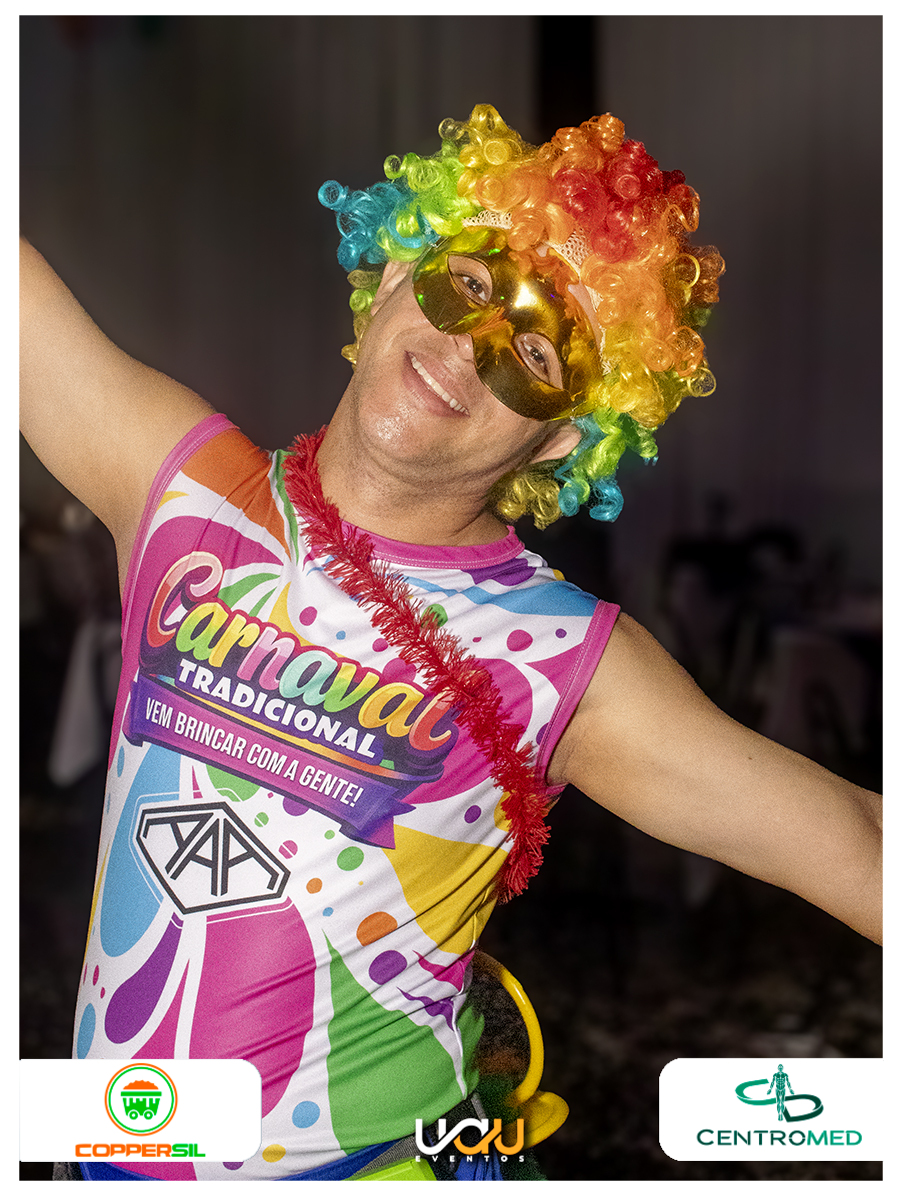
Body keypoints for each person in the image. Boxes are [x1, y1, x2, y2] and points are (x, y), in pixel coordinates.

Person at [20, 104, 881, 1182]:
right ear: (396, 274)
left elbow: (859, 844)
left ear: (562, 439)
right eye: (466, 285)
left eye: (534, 355)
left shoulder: (562, 664)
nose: (469, 354)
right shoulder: (177, 486)